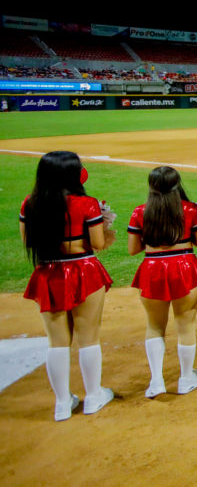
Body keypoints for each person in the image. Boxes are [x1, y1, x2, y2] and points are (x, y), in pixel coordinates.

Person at [21, 152, 116, 420]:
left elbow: (29, 242)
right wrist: (105, 229)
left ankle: (62, 403)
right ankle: (94, 396)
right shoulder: (86, 204)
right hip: (83, 269)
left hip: (48, 272)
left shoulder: (29, 204)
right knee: (88, 337)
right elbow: (97, 244)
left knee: (57, 342)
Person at [128, 166, 197, 397]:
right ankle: (186, 378)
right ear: (177, 184)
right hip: (184, 268)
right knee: (185, 325)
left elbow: (133, 249)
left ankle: (156, 382)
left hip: (152, 268)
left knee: (154, 326)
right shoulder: (190, 209)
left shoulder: (141, 211)